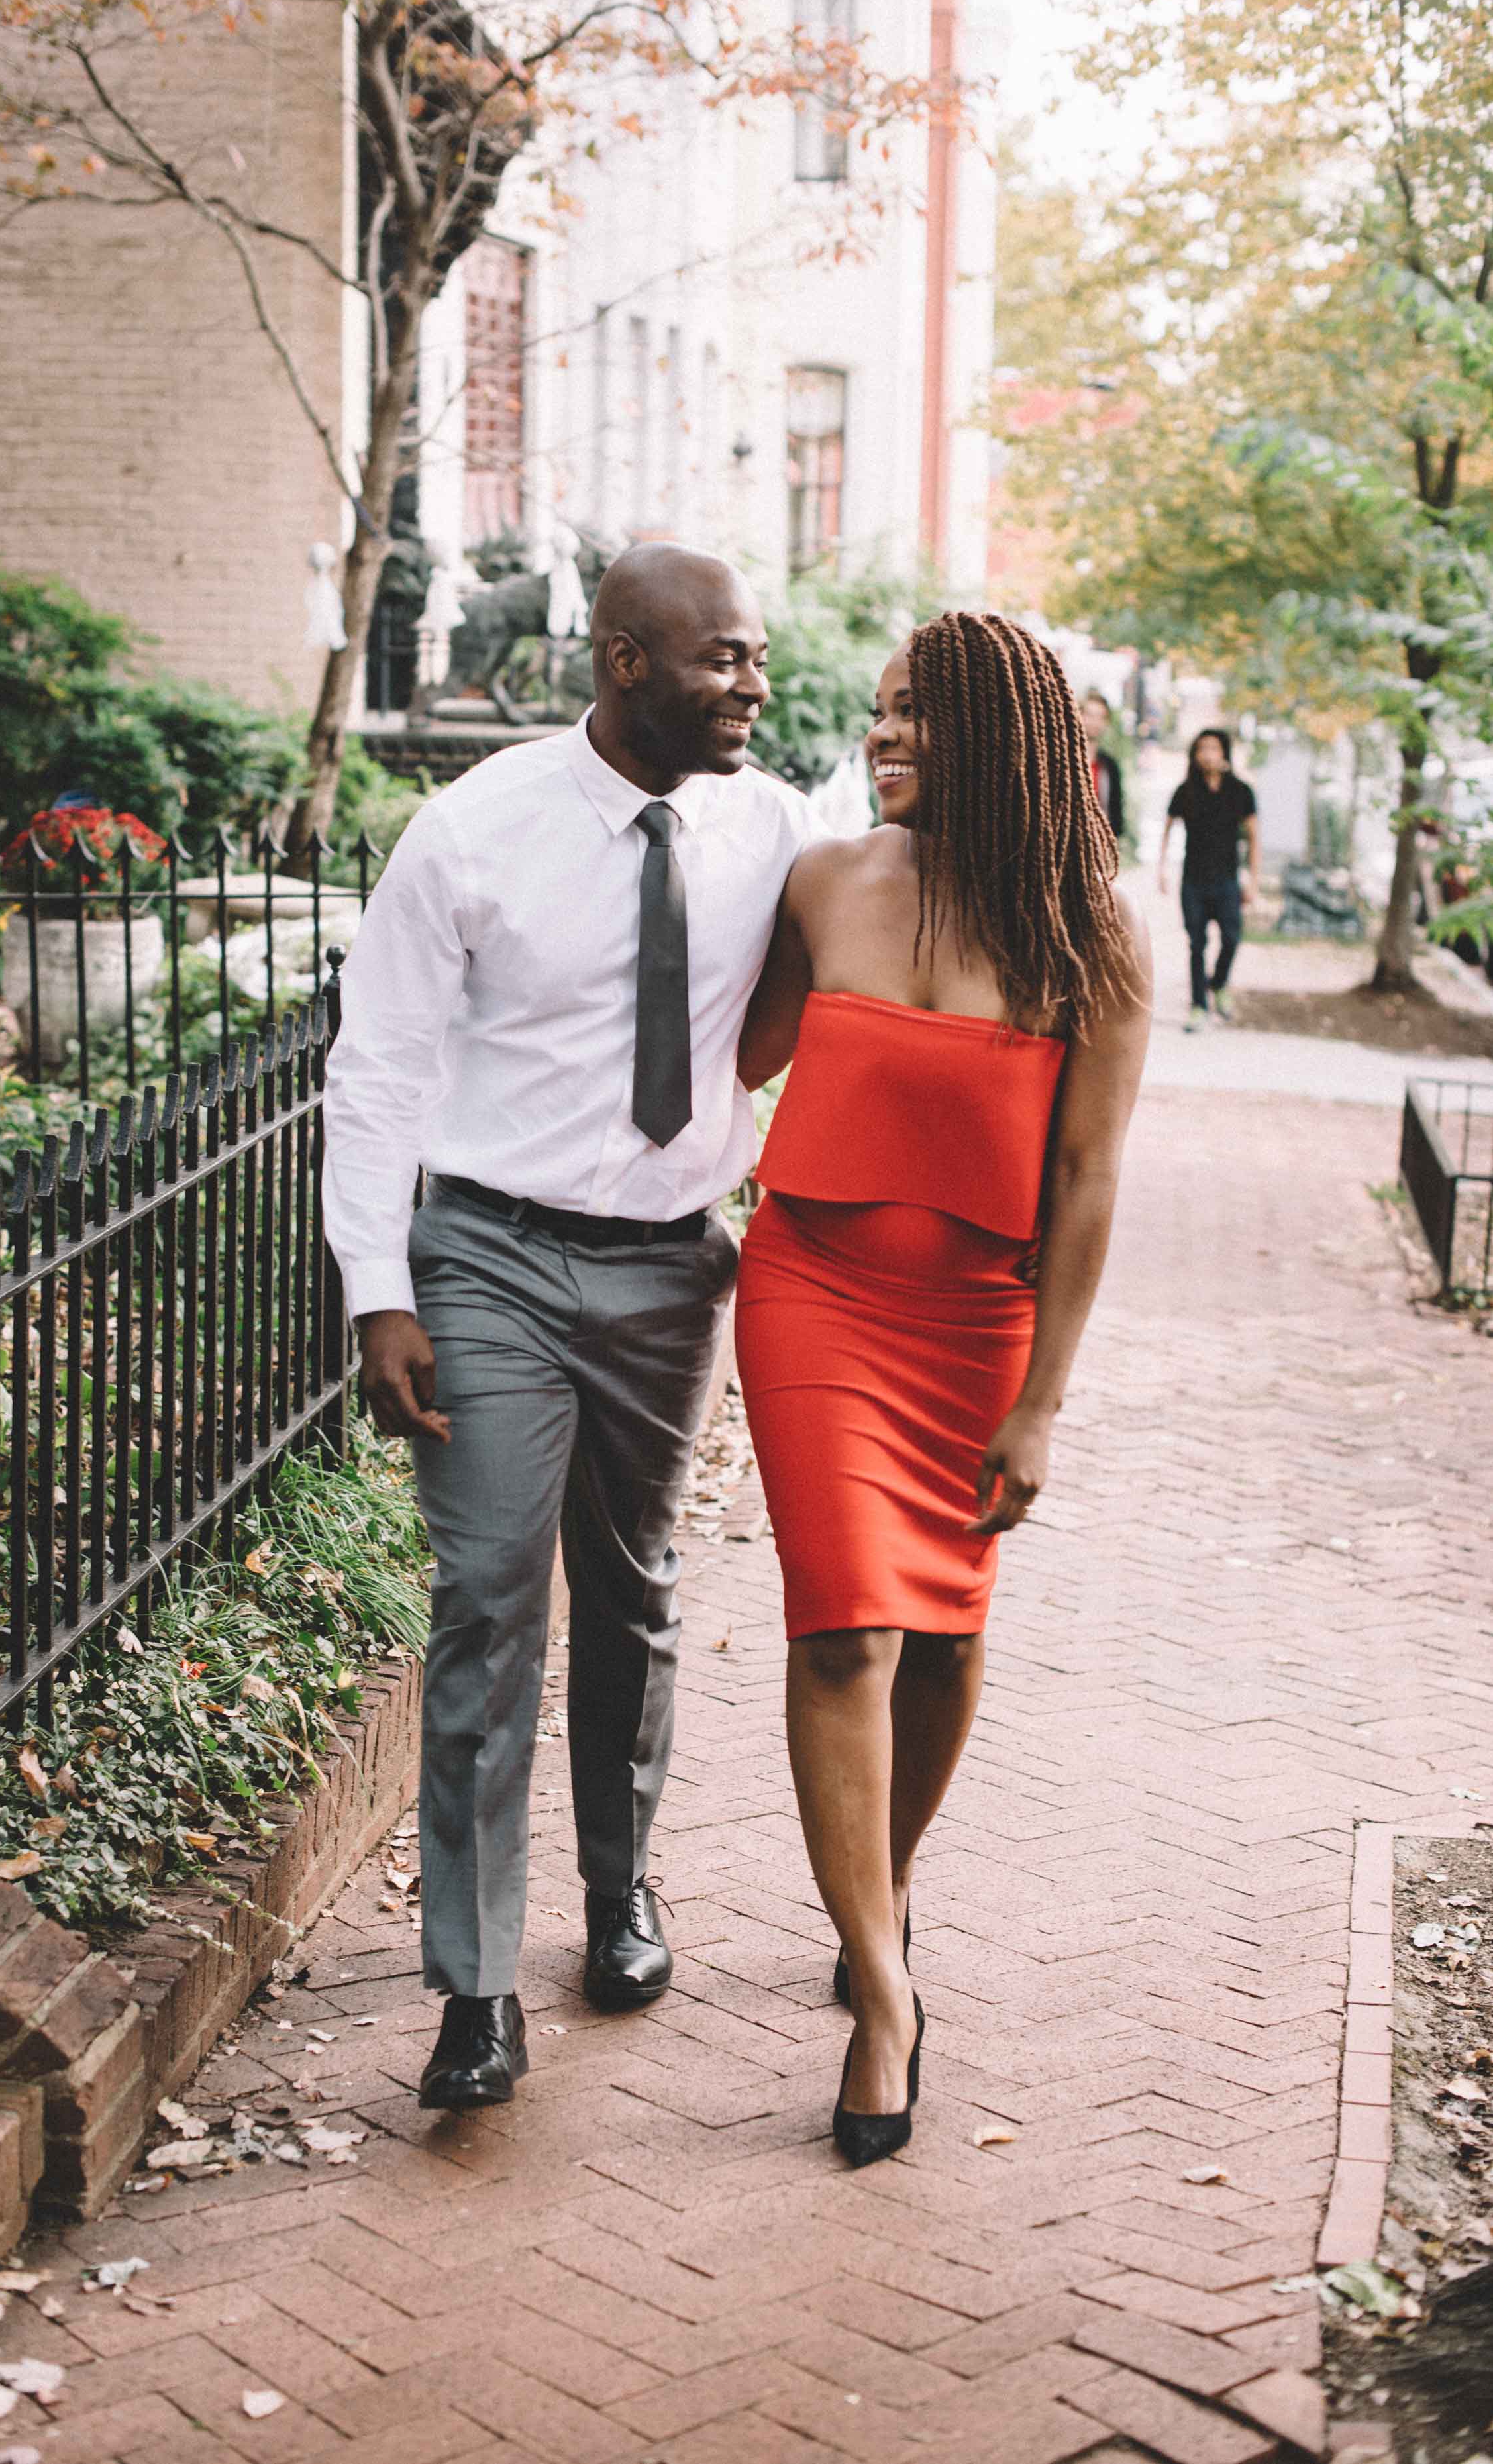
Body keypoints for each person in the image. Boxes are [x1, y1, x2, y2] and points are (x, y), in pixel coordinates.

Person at [323, 543, 816, 2113]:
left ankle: (620, 1889)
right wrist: (378, 1289)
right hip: (491, 1257)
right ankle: (474, 1984)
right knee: (483, 1599)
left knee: (634, 1590)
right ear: (622, 662)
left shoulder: (777, 826)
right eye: (723, 660)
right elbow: (381, 1065)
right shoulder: (474, 832)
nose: (752, 686)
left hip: (673, 1271)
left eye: (754, 661)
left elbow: (889, 928)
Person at [736, 612, 1150, 2167]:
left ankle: (878, 1889)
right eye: (879, 712)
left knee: (943, 1635)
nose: (881, 735)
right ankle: (885, 1999)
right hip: (810, 1293)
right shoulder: (826, 881)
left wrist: (1042, 1399)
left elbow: (1093, 1181)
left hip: (975, 1318)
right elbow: (730, 1059)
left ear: (1002, 735)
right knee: (845, 1623)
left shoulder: (1087, 932)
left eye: (916, 715)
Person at [1158, 727, 1259, 1030]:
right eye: (1202, 749)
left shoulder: (1241, 791)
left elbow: (1255, 837)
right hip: (1193, 881)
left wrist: (1253, 880)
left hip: (1228, 881)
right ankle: (1198, 1006)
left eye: (1214, 748)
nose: (1208, 755)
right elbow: (1168, 828)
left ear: (1224, 753)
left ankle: (1219, 983)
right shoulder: (1185, 791)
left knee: (1232, 938)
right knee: (1197, 944)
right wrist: (1161, 869)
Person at [1081, 690, 1126, 841]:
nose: (1095, 722)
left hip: (1100, 844)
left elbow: (1116, 812)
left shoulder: (1110, 766)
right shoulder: (1064, 761)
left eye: (1100, 717)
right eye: (1090, 716)